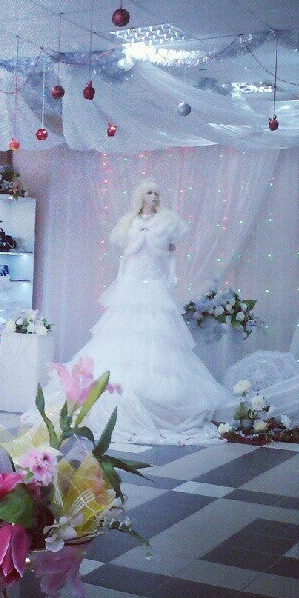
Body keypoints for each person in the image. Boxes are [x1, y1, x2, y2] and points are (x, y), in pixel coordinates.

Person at [37, 179, 236, 445]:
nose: (153, 196)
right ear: (141, 196)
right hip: (131, 282)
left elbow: (171, 254)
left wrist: (171, 276)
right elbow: (125, 256)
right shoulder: (128, 222)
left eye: (156, 192)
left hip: (154, 283)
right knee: (121, 333)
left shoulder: (167, 221)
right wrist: (122, 278)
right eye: (148, 192)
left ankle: (161, 402)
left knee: (157, 334)